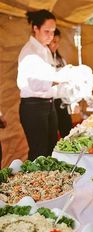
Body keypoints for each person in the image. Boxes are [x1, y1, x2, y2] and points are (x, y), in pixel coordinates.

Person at [17, 9, 67, 161]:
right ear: (35, 28)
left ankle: (49, 183)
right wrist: (58, 79)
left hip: (48, 104)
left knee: (52, 148)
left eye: (53, 31)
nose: (51, 36)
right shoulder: (30, 52)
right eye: (47, 31)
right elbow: (33, 83)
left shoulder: (45, 50)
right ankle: (33, 183)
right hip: (33, 106)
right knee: (39, 151)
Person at [48, 28, 72, 138]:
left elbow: (67, 81)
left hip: (62, 101)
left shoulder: (60, 60)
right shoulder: (42, 60)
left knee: (67, 131)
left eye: (57, 42)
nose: (56, 45)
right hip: (49, 101)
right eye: (53, 42)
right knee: (51, 135)